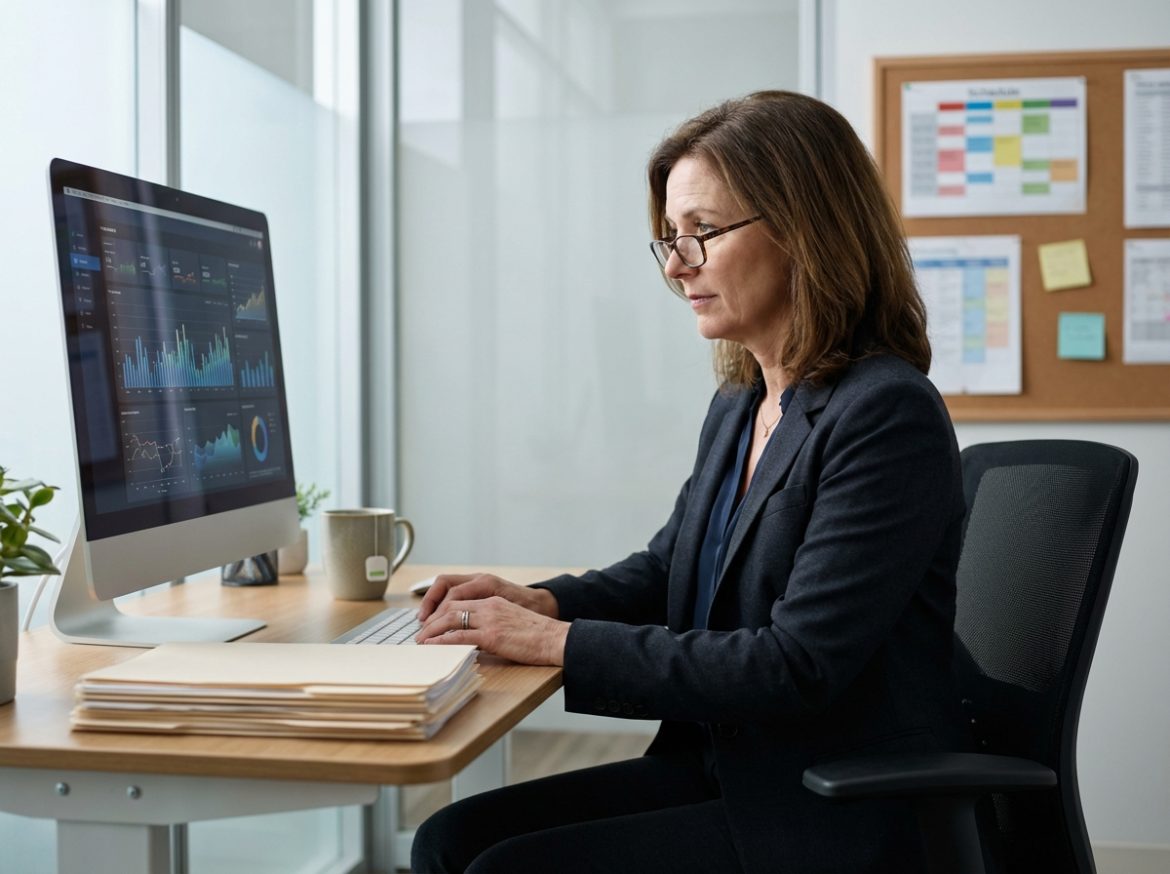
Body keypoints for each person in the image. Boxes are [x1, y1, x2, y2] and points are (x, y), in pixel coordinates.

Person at [411, 90, 966, 874]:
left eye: (703, 232)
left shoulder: (887, 416)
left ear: (807, 230)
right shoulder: (743, 401)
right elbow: (671, 568)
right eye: (671, 239)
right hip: (720, 769)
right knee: (446, 840)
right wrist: (545, 602)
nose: (677, 266)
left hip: (818, 808)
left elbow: (795, 664)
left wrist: (558, 644)